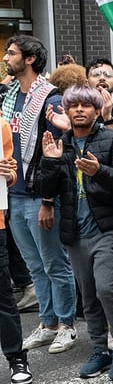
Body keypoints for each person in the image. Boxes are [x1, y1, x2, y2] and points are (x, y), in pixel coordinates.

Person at [39, 84, 113, 380]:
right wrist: (50, 163)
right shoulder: (60, 144)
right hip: (75, 233)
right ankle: (99, 349)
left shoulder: (111, 140)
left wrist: (98, 172)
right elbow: (45, 189)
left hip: (106, 229)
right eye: (74, 105)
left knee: (107, 289)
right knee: (89, 296)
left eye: (86, 105)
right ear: (66, 110)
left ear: (96, 110)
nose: (79, 110)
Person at [1, 34, 78, 354]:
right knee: (34, 265)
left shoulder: (50, 98)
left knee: (54, 263)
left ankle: (67, 325)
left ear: (29, 59)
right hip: (12, 193)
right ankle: (47, 323)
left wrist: (48, 200)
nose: (5, 58)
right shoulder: (8, 98)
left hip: (38, 195)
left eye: (11, 53)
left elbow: (56, 155)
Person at [0, 115, 32, 384]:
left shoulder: (0, 125)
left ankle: (16, 358)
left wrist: (7, 173)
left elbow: (11, 174)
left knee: (3, 295)